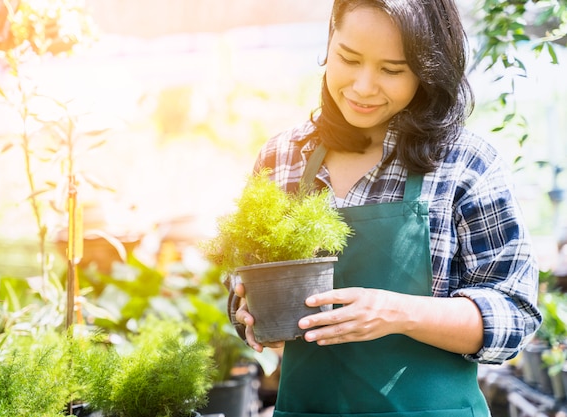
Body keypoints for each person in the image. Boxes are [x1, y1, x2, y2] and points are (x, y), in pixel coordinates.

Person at [230, 0, 542, 415]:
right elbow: (244, 289)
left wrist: (398, 313)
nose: (362, 86)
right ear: (329, 42)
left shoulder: (465, 164)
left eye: (391, 70)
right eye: (348, 58)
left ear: (428, 71)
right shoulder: (282, 157)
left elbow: (513, 315)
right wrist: (250, 315)